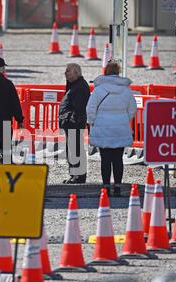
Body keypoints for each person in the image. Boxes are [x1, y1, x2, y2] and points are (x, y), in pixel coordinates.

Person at [86, 61, 136, 197]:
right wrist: (125, 119)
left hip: (103, 128)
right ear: (118, 73)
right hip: (120, 128)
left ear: (105, 72)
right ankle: (118, 185)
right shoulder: (126, 90)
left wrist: (92, 122)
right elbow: (132, 109)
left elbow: (90, 109)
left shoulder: (99, 90)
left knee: (105, 158)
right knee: (118, 158)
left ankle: (106, 186)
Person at [58, 63, 90, 184]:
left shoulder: (80, 86)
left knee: (75, 150)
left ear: (76, 73)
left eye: (68, 71)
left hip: (74, 124)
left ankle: (79, 176)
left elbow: (79, 108)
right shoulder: (74, 85)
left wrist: (70, 119)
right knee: (72, 149)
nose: (65, 73)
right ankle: (74, 174)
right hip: (71, 123)